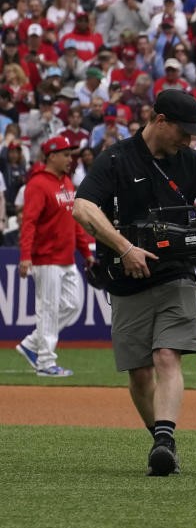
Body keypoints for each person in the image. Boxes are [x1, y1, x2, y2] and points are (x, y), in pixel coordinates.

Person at [73, 90, 196, 477]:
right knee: (139, 371)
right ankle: (160, 438)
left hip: (176, 273)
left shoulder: (193, 163)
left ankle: (164, 440)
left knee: (167, 355)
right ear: (159, 120)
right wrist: (125, 246)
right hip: (127, 277)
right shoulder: (116, 158)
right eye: (184, 131)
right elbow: (82, 206)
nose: (190, 139)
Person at [15, 136, 94, 377]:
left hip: (66, 257)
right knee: (48, 310)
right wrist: (25, 255)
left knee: (73, 305)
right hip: (45, 257)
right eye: (66, 154)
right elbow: (29, 222)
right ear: (51, 156)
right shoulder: (38, 184)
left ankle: (30, 344)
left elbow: (75, 221)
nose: (70, 159)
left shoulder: (67, 182)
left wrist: (85, 251)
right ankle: (46, 363)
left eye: (71, 154)